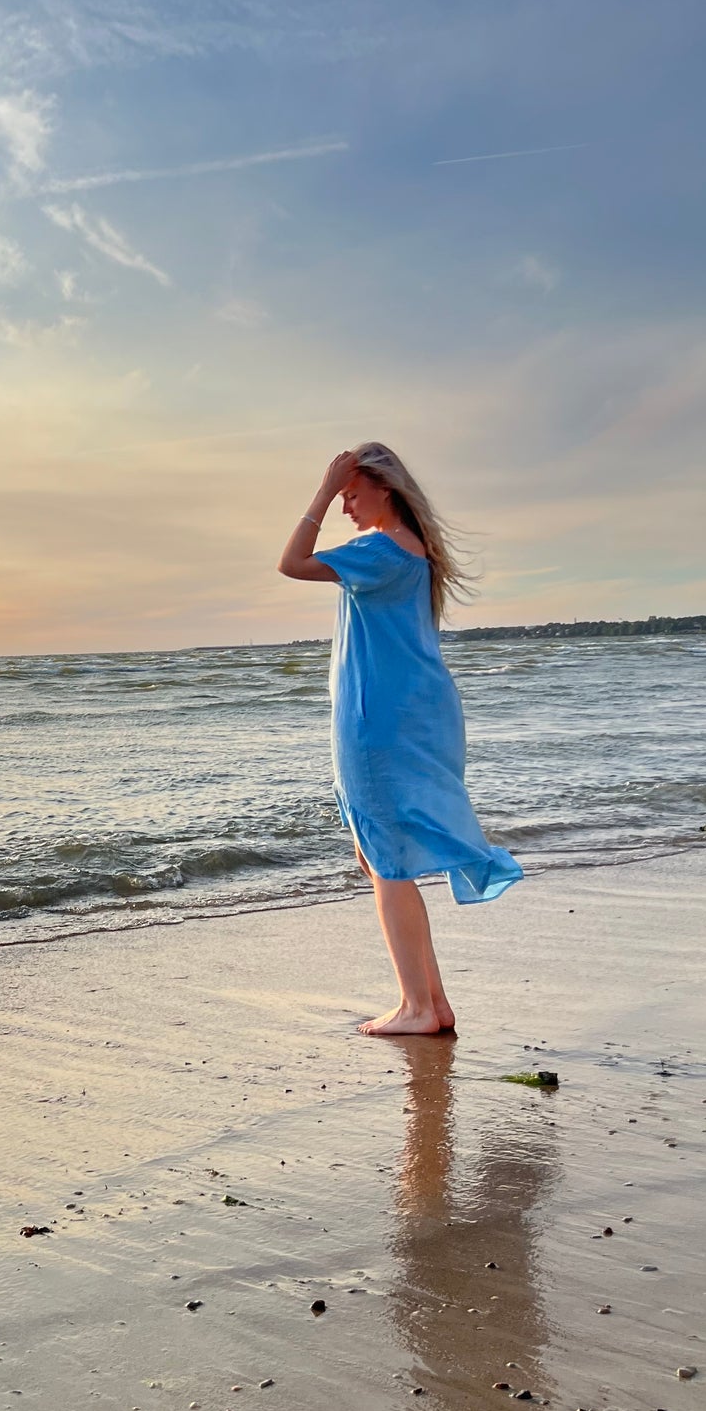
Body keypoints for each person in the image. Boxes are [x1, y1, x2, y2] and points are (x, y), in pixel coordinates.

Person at [278, 443, 522, 1035]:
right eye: (339, 498)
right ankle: (429, 1003)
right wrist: (338, 483)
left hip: (381, 717)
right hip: (412, 709)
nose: (344, 509)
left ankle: (417, 1007)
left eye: (350, 495)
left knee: (383, 854)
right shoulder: (410, 552)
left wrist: (320, 487)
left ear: (384, 488)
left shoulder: (381, 551)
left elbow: (291, 562)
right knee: (380, 853)